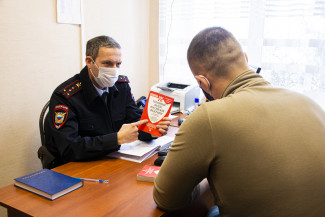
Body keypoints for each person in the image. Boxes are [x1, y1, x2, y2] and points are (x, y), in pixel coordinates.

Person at [153, 27, 325, 217]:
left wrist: (207, 178)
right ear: (245, 58)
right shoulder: (308, 102)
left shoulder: (209, 116)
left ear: (202, 82)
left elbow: (165, 198)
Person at [44, 35, 170, 167]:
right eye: (107, 63)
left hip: (113, 160)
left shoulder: (122, 86)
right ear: (89, 61)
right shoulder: (66, 96)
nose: (114, 70)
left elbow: (135, 121)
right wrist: (117, 139)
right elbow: (69, 149)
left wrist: (153, 129)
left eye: (118, 64)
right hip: (78, 167)